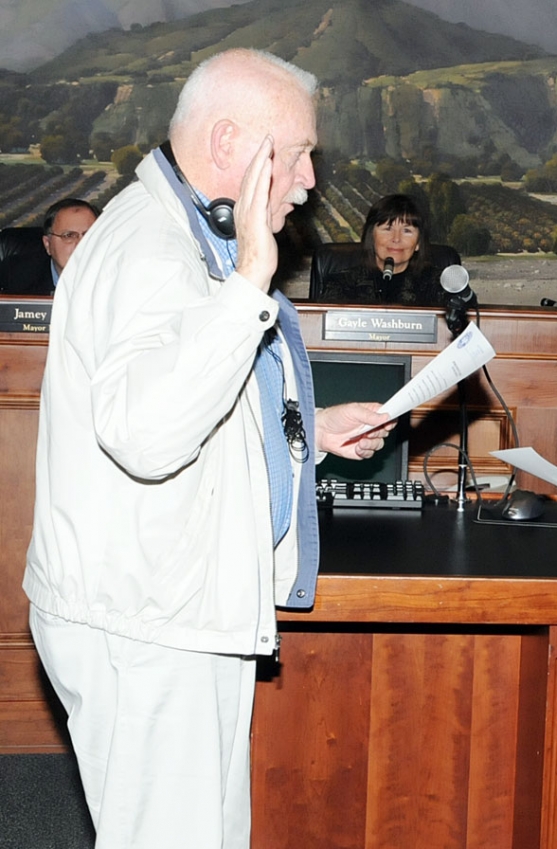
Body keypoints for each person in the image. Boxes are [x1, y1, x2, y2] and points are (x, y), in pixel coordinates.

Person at [23, 48, 394, 849]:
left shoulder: (180, 229)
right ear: (230, 142)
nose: (308, 180)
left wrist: (310, 433)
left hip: (164, 606)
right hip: (148, 621)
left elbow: (195, 403)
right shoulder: (154, 250)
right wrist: (250, 282)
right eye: (296, 154)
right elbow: (149, 435)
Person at [313, 193, 448, 306]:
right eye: (387, 229)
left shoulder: (440, 285)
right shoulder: (342, 284)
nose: (396, 238)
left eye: (407, 231)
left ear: (418, 242)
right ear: (372, 236)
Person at [43, 198, 101, 287]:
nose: (80, 245)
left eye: (89, 235)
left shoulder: (120, 278)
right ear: (47, 244)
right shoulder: (17, 281)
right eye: (69, 236)